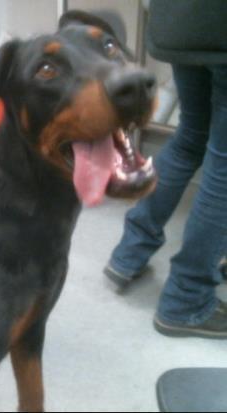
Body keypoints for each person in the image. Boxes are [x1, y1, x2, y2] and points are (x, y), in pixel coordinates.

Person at [104, 0, 227, 338]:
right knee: (223, 165)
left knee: (190, 138)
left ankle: (130, 252)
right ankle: (186, 300)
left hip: (181, 19)